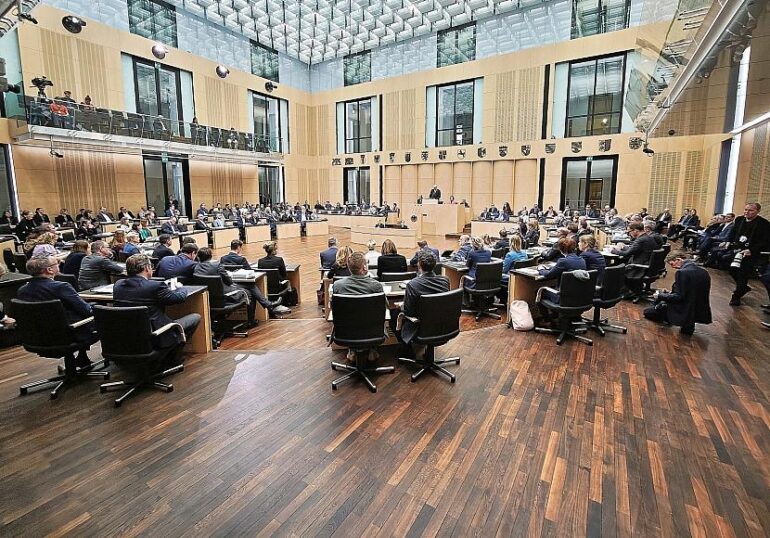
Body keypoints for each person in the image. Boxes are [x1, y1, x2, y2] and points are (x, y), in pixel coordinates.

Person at [17, 255, 97, 367]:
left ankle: (81, 359)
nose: (59, 265)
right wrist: (97, 307)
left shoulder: (22, 290)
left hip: (38, 338)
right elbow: (86, 310)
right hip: (67, 336)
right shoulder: (61, 287)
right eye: (57, 264)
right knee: (101, 317)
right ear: (49, 270)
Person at [113, 254, 200, 355]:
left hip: (126, 334)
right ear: (146, 268)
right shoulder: (155, 286)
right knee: (195, 317)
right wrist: (181, 287)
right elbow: (178, 298)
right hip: (155, 334)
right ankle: (172, 356)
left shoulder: (118, 285)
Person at [195, 247, 279, 328]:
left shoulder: (196, 268)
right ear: (210, 256)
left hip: (208, 299)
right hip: (225, 296)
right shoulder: (217, 265)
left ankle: (267, 305)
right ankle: (253, 319)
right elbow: (228, 281)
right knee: (250, 290)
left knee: (249, 286)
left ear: (198, 257)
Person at [643, 254, 712, 335]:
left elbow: (679, 297)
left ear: (678, 260)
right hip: (697, 310)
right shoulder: (704, 272)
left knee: (648, 312)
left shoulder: (681, 273)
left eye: (672, 264)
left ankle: (668, 317)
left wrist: (660, 295)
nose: (673, 267)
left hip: (682, 309)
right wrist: (670, 293)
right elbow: (691, 292)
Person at [398, 251, 450, 348]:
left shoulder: (412, 284)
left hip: (421, 328)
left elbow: (409, 312)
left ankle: (406, 350)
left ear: (419, 265)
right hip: (442, 326)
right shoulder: (445, 281)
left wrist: (401, 306)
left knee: (394, 315)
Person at [727, 202, 770, 306]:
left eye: (750, 210)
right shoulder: (739, 220)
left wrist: (751, 250)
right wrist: (728, 241)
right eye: (746, 209)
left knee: (742, 274)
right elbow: (733, 233)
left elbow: (765, 241)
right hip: (737, 251)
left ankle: (736, 296)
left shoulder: (764, 224)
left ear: (758, 211)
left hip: (751, 254)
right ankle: (743, 288)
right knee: (732, 270)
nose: (747, 212)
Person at [463, 236, 492, 304]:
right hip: (486, 280)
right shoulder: (488, 252)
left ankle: (466, 303)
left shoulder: (472, 253)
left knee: (463, 278)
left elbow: (467, 266)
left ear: (473, 245)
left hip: (474, 280)